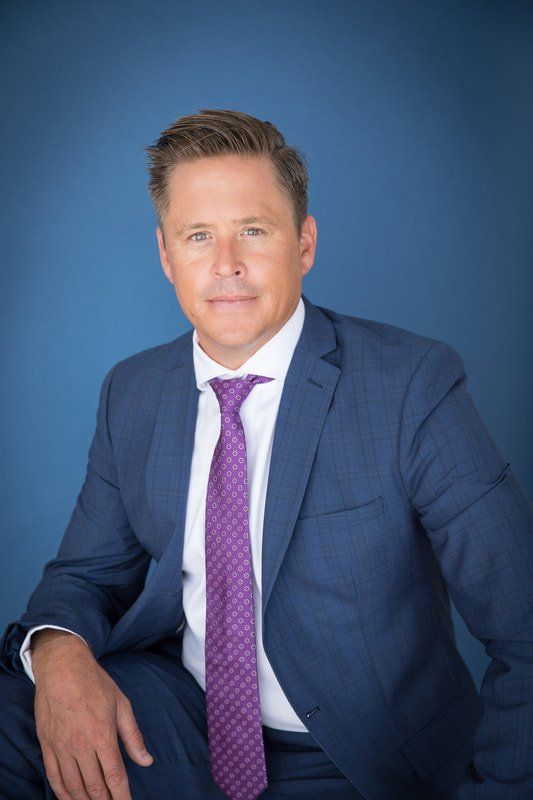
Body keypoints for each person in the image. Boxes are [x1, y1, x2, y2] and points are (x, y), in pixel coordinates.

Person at [0, 109, 531, 800]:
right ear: (166, 255)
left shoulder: (409, 384)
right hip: (175, 718)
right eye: (198, 236)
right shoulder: (133, 390)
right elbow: (86, 575)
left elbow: (524, 629)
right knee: (16, 710)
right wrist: (59, 653)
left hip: (355, 756)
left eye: (252, 230)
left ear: (303, 244)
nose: (226, 265)